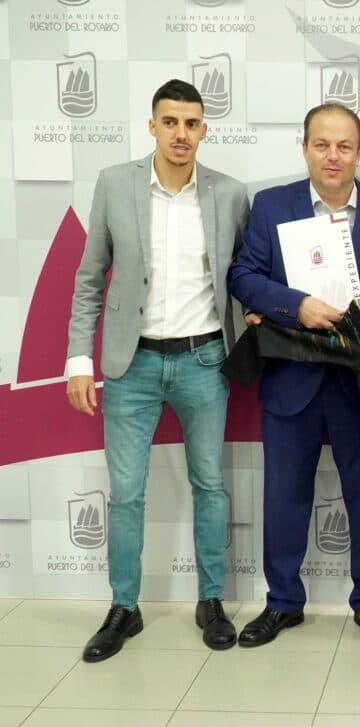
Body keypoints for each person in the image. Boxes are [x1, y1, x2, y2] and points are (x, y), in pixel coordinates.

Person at [66, 79, 250, 661]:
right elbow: (89, 278)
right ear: (152, 126)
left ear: (204, 130)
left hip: (204, 360)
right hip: (132, 362)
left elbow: (246, 278)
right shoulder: (114, 183)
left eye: (191, 123)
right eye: (170, 122)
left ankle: (211, 600)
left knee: (209, 485)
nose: (181, 133)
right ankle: (125, 606)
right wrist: (79, 360)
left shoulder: (230, 193)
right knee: (125, 494)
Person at [227, 102, 360, 649]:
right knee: (284, 496)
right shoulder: (272, 205)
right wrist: (295, 305)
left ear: (359, 152)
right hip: (293, 374)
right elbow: (243, 274)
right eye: (322, 144)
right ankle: (282, 603)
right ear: (305, 147)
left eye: (343, 146)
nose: (332, 156)